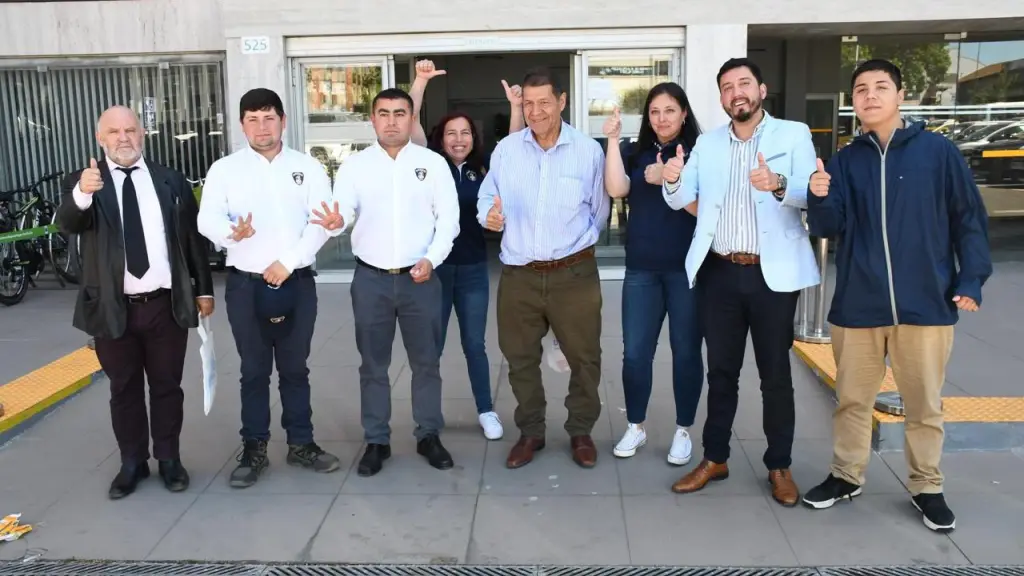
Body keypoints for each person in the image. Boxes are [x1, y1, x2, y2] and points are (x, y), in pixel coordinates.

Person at [802, 59, 991, 532]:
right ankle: (846, 475)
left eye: (880, 87)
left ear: (900, 95)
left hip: (926, 304)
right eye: (861, 89)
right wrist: (819, 193)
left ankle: (927, 486)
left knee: (924, 404)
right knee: (851, 400)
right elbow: (830, 227)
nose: (869, 96)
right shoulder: (845, 160)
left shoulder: (938, 153)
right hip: (859, 306)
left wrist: (970, 280)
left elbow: (969, 220)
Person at [661, 57, 820, 506]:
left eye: (744, 84)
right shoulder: (708, 145)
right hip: (720, 272)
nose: (737, 93)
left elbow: (811, 191)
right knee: (722, 372)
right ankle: (715, 458)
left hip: (772, 275)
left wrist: (778, 183)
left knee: (775, 375)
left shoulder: (793, 134)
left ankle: (779, 465)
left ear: (762, 90)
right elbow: (681, 197)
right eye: (727, 87)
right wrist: (672, 182)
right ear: (721, 98)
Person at [56, 105, 214, 499]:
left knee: (167, 386)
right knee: (123, 388)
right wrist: (82, 193)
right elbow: (68, 223)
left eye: (130, 129)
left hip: (165, 304)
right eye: (113, 131)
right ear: (100, 138)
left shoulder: (170, 180)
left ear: (142, 133)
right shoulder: (85, 182)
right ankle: (132, 462)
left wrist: (204, 288)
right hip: (112, 307)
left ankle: (170, 459)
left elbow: (191, 238)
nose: (123, 138)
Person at [197, 88, 340, 489]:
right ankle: (254, 447)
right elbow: (206, 218)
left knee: (295, 369)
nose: (262, 127)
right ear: (242, 124)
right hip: (246, 286)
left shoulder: (307, 167)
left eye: (269, 118)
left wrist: (288, 262)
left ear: (283, 121)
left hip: (296, 282)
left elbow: (321, 222)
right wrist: (231, 233)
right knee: (254, 370)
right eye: (253, 119)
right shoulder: (225, 169)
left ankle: (302, 444)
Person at [313, 88, 460, 478]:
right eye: (384, 113)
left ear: (411, 119)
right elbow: (343, 211)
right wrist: (336, 222)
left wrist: (432, 258)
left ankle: (428, 434)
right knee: (373, 366)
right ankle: (377, 440)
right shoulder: (355, 167)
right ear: (372, 120)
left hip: (421, 279)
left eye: (400, 113)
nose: (392, 121)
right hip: (371, 281)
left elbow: (448, 221)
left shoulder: (432, 164)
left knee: (426, 363)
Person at [477, 67, 610, 469]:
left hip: (574, 274)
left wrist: (572, 250)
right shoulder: (506, 151)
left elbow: (599, 213)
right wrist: (491, 218)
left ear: (562, 102)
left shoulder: (588, 151)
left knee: (584, 357)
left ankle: (580, 431)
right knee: (519, 358)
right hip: (519, 275)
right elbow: (488, 197)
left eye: (544, 103)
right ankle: (531, 431)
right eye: (529, 104)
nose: (535, 112)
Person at [602, 83, 705, 465]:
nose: (662, 118)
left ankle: (683, 430)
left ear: (683, 113)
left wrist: (672, 178)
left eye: (670, 110)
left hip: (686, 271)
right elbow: (617, 187)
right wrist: (612, 140)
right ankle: (636, 425)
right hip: (641, 269)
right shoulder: (635, 152)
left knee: (686, 354)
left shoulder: (699, 153)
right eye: (654, 111)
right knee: (635, 354)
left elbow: (708, 208)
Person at [407, 59, 502, 440]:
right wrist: (420, 82)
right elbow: (409, 120)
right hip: (437, 270)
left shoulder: (484, 168)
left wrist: (514, 108)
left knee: (474, 344)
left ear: (473, 137)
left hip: (474, 270)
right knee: (433, 346)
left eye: (465, 133)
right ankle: (428, 417)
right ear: (440, 138)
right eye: (451, 133)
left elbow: (511, 140)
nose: (459, 139)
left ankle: (486, 410)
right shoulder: (429, 165)